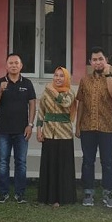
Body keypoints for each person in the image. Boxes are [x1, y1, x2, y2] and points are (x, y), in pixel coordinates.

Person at [75, 47, 112, 208]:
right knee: (88, 161)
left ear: (106, 60)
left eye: (100, 59)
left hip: (107, 127)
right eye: (94, 60)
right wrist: (77, 125)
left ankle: (108, 193)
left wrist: (108, 75)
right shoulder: (84, 80)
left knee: (107, 161)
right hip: (87, 126)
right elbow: (81, 103)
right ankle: (88, 192)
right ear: (90, 62)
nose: (98, 62)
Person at [0, 53, 36, 204]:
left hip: (22, 131)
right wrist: (0, 90)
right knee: (3, 163)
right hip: (3, 131)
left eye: (16, 63)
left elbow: (32, 104)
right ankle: (3, 193)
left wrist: (30, 125)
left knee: (21, 162)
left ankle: (19, 194)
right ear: (6, 65)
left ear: (21, 66)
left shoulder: (27, 83)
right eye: (11, 63)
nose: (14, 65)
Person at [36, 66, 77, 207]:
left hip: (64, 134)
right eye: (56, 75)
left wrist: (53, 91)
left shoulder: (70, 92)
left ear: (66, 78)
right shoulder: (46, 92)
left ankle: (63, 197)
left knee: (62, 167)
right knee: (50, 165)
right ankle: (48, 197)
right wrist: (39, 129)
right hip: (48, 133)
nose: (58, 78)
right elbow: (41, 110)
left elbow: (65, 103)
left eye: (61, 76)